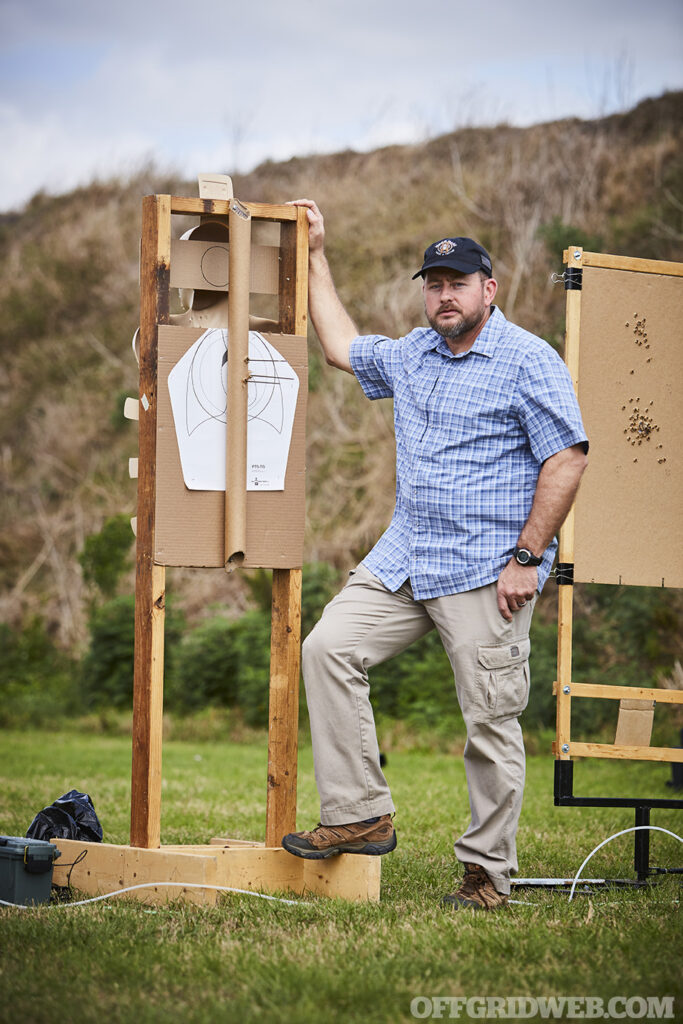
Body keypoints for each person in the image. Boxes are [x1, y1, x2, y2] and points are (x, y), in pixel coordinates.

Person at [281, 199, 588, 911]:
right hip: (406, 560)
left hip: (488, 570)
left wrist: (526, 557)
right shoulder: (413, 353)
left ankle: (485, 876)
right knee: (327, 648)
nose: (443, 296)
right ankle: (359, 812)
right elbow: (339, 347)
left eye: (456, 282)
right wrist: (317, 255)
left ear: (489, 288)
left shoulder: (525, 359)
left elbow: (567, 458)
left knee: (488, 724)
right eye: (432, 283)